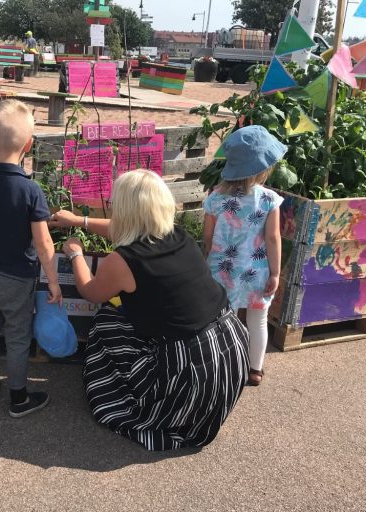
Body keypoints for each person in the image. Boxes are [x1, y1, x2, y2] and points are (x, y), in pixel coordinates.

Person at [50, 170, 249, 451]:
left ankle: (148, 397)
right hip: (230, 349)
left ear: (126, 211)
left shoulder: (123, 261)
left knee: (107, 319)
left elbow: (90, 291)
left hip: (190, 372)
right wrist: (79, 221)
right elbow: (122, 229)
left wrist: (75, 254)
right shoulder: (177, 235)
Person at [0, 99, 62, 418]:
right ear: (29, 146)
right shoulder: (29, 191)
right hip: (17, 278)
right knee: (18, 336)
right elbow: (44, 244)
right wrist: (54, 281)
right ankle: (18, 397)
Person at [203, 125, 285, 387]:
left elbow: (208, 236)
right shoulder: (269, 200)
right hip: (257, 272)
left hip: (222, 269)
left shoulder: (216, 198)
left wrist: (209, 260)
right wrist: (275, 272)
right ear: (264, 168)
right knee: (258, 319)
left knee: (224, 319)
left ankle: (225, 366)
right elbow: (273, 238)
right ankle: (254, 370)